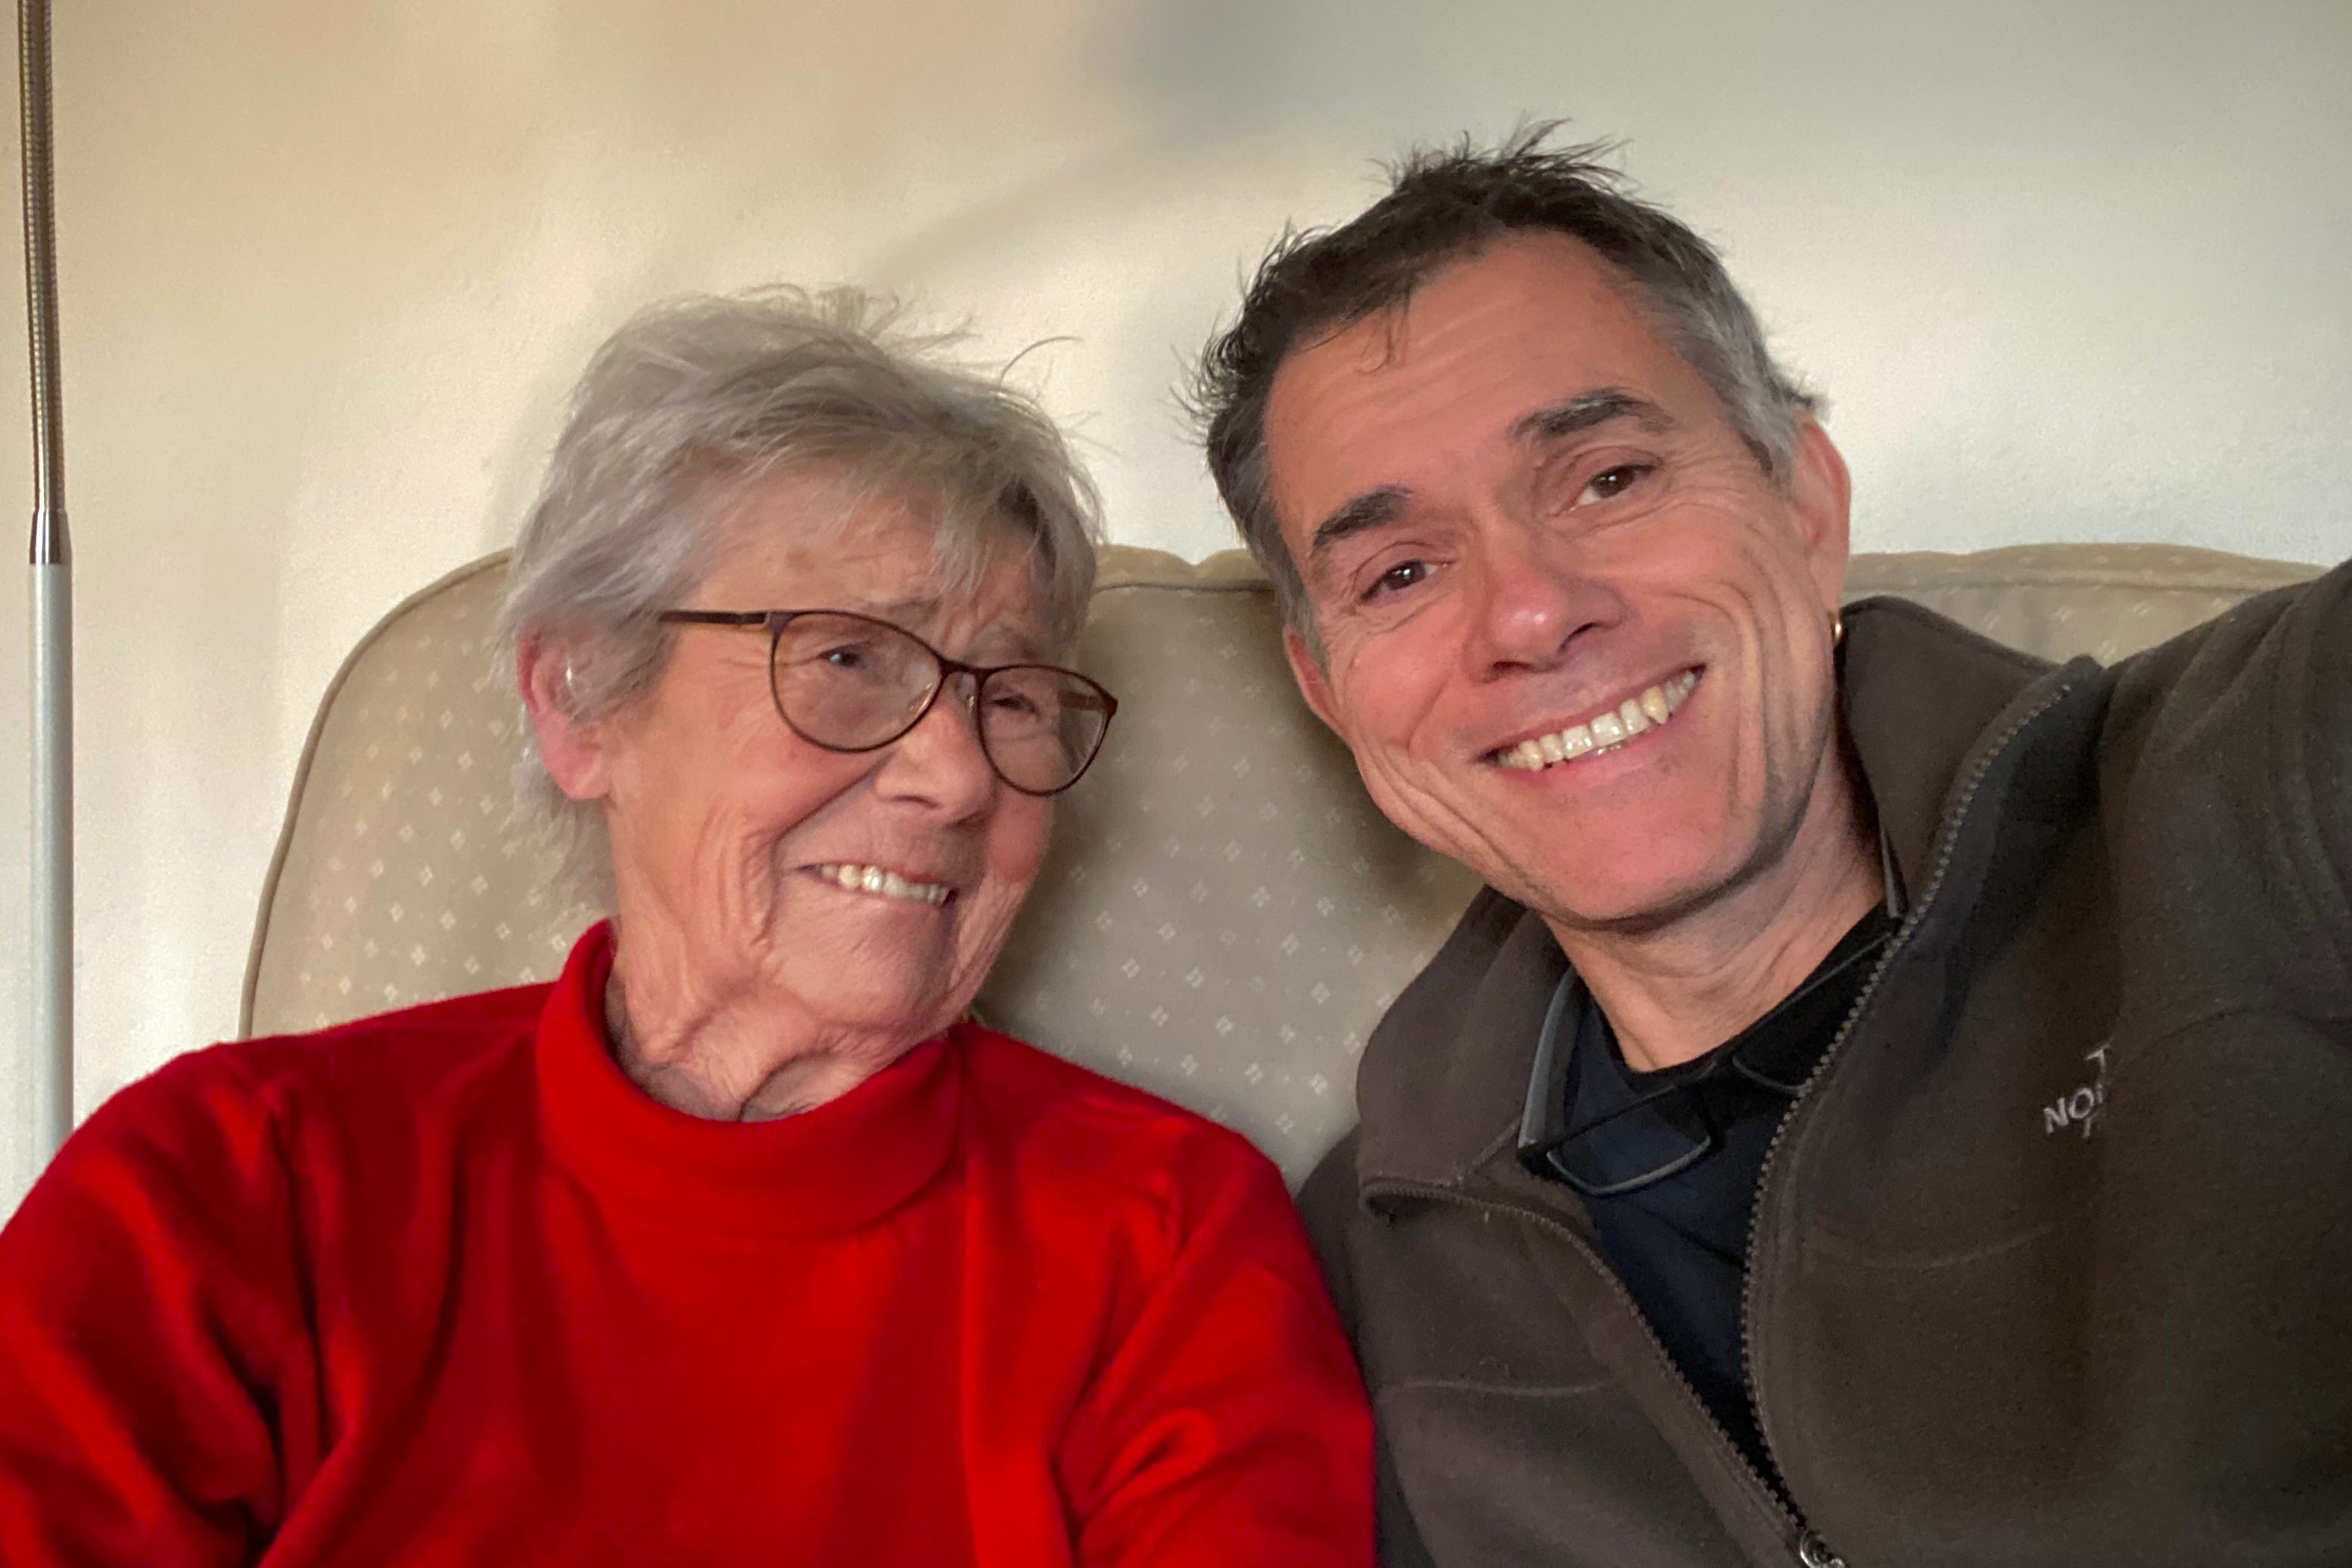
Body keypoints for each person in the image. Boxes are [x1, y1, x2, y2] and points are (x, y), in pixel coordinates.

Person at [0, 288, 1373, 1566]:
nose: (957, 779)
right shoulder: (226, 1191)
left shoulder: (1169, 1243)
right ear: (582, 702)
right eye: (847, 659)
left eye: (1010, 698)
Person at [1193, 129, 2352, 1568]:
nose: (1531, 615)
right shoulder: (1367, 1251)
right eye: (1401, 573)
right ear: (1328, 693)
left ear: (1805, 507)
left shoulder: (2260, 781)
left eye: (1608, 477)